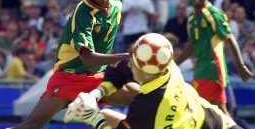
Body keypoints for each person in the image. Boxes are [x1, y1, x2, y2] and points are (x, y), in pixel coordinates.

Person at [11, 0, 139, 129]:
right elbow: (87, 58)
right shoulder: (83, 13)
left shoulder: (116, 4)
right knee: (33, 125)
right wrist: (125, 57)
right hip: (70, 77)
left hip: (98, 76)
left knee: (144, 97)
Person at [64, 33, 241, 129]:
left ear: (146, 73)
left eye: (134, 64)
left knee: (102, 117)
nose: (130, 65)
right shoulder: (166, 64)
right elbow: (121, 70)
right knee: (106, 115)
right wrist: (95, 94)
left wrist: (93, 118)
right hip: (218, 122)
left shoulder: (148, 106)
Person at [175, 0, 254, 116]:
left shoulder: (213, 13)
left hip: (212, 70)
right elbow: (189, 49)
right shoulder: (192, 19)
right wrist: (171, 65)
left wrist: (240, 65)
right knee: (216, 114)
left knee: (205, 112)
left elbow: (230, 39)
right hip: (201, 70)